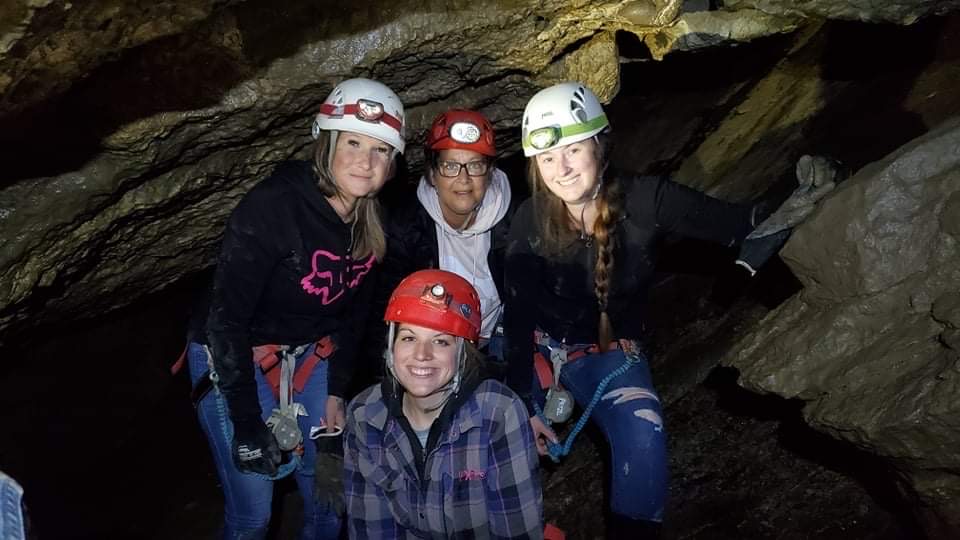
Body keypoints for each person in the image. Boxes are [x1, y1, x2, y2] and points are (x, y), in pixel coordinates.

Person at [503, 82, 837, 537]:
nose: (560, 169)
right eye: (547, 158)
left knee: (643, 432)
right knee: (494, 434)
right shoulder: (528, 221)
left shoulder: (646, 199)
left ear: (600, 145)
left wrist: (805, 190)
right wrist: (525, 400)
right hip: (541, 351)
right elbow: (519, 317)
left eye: (573, 150)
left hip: (608, 356)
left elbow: (740, 224)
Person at [185, 77, 406, 539]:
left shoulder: (373, 222)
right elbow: (226, 322)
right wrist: (246, 424)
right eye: (352, 142)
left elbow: (353, 317)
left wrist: (336, 394)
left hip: (309, 354)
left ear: (394, 161)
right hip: (232, 352)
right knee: (254, 511)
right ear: (325, 143)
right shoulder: (272, 208)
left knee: (329, 496)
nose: (365, 162)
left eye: (381, 150)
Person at [343, 269, 543, 539]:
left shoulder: (498, 413)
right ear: (391, 346)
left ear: (462, 353)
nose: (422, 355)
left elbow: (517, 531)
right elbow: (372, 529)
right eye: (409, 338)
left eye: (440, 341)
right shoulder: (366, 416)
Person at [374, 109, 513, 368]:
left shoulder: (516, 221)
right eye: (450, 165)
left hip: (496, 350)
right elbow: (382, 313)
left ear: (490, 172)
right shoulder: (406, 227)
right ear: (432, 174)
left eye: (475, 165)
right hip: (428, 356)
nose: (463, 179)